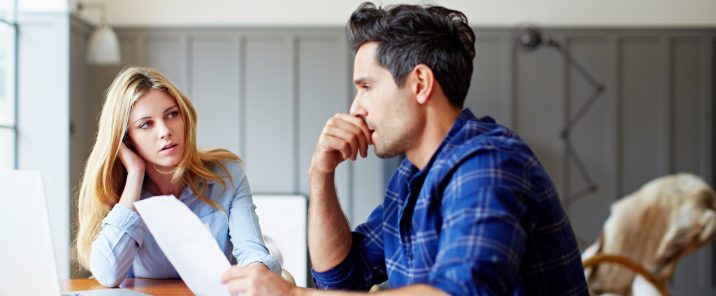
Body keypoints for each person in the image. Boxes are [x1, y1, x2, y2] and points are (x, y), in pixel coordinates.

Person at [222, 2, 588, 295]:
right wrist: (320, 174)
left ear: (420, 83)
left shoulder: (489, 163)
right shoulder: (411, 177)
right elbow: (343, 278)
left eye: (366, 86)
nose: (355, 108)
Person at [75, 67, 280, 287]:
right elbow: (107, 274)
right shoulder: (116, 189)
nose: (164, 131)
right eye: (146, 124)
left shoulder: (226, 174)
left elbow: (252, 253)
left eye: (172, 114)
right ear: (126, 140)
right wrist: (135, 174)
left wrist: (259, 272)